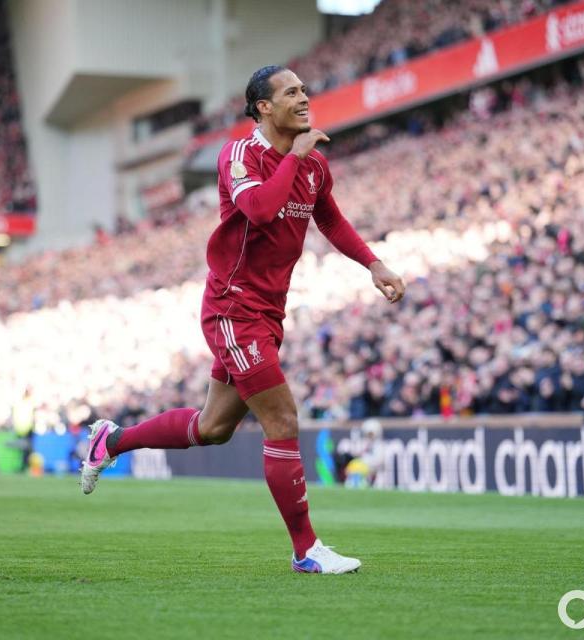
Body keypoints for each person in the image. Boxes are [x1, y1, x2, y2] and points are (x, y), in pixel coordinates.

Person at [80, 65, 406, 574]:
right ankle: (306, 550)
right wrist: (294, 158)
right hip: (233, 308)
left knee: (213, 428)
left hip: (268, 311)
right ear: (264, 108)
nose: (304, 98)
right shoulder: (240, 155)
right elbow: (258, 209)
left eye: (304, 89)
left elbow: (329, 218)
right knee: (282, 420)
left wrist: (373, 263)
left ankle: (112, 440)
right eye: (291, 92)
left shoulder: (314, 166)